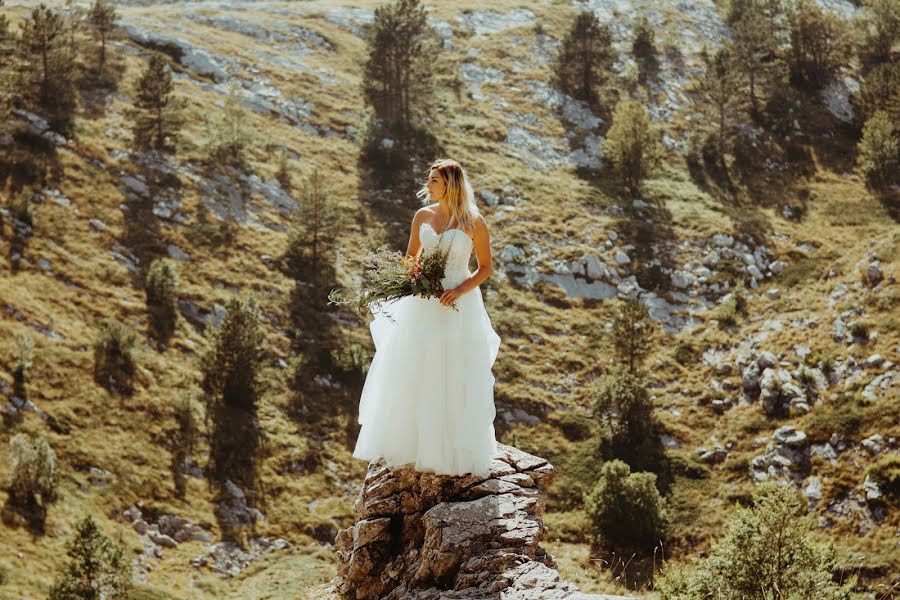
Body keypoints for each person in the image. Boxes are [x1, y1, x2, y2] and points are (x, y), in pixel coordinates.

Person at [352, 158, 501, 478]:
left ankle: (452, 448)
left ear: (451, 184)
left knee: (455, 370)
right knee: (416, 368)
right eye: (430, 179)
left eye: (434, 180)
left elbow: (486, 268)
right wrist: (417, 280)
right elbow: (410, 260)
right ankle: (414, 445)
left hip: (458, 304)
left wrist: (459, 290)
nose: (428, 184)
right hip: (424, 301)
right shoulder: (422, 216)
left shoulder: (474, 221)